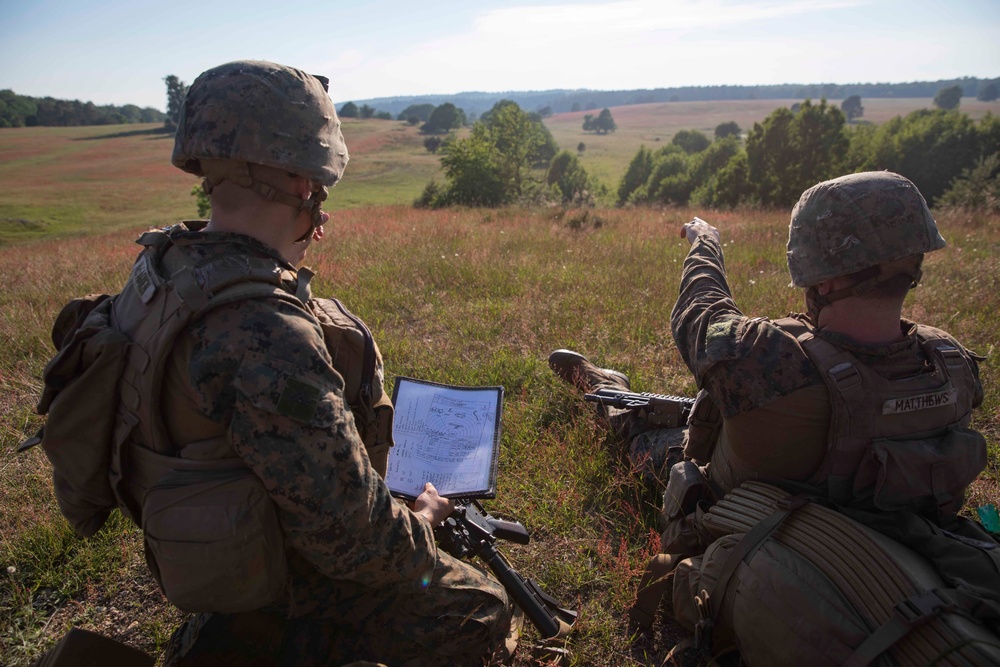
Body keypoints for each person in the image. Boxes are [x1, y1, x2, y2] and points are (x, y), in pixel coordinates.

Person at [81, 60, 513, 666]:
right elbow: (356, 543)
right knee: (480, 608)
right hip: (283, 575)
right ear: (297, 177)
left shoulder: (162, 271)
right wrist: (421, 520)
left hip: (212, 541)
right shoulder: (264, 331)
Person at [549, 171, 990, 658]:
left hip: (759, 514)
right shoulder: (952, 364)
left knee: (646, 435)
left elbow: (699, 309)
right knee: (697, 410)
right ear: (916, 257)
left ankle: (605, 388)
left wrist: (705, 242)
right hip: (890, 546)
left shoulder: (770, 359)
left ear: (822, 273)